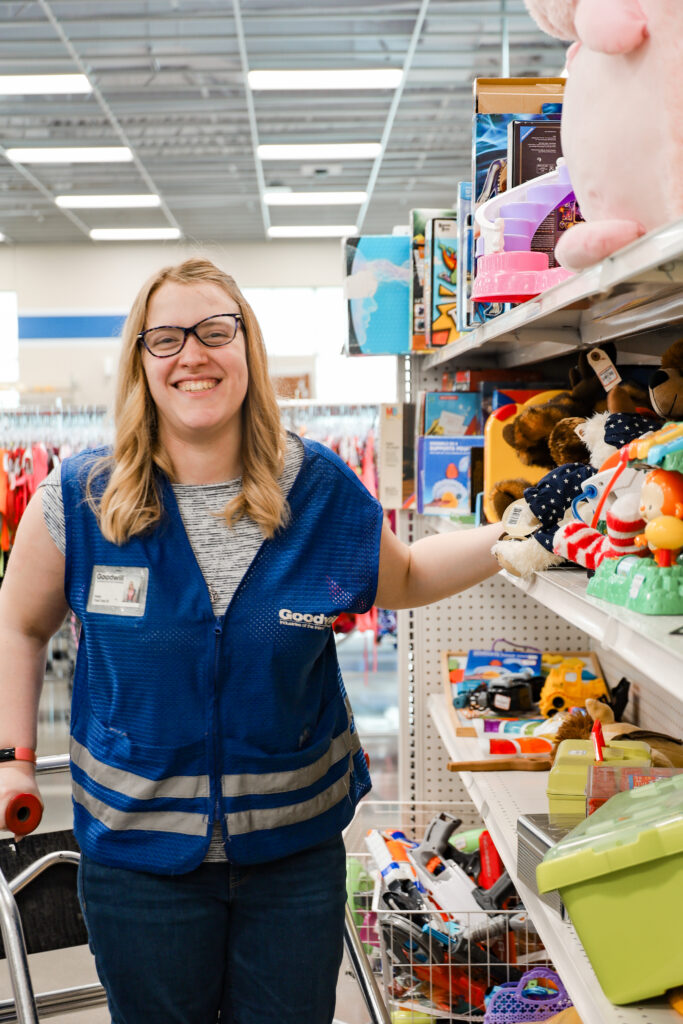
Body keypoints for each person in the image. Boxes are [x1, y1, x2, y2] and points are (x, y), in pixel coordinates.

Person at [0, 257, 504, 1024]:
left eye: (214, 331)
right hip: (138, 863)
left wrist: (520, 533)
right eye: (164, 338)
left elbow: (403, 577)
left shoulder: (318, 487)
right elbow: (19, 623)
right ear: (140, 360)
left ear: (248, 349)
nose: (192, 355)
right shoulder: (79, 497)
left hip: (290, 859)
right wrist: (14, 762)